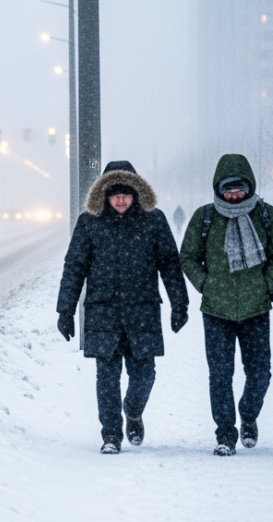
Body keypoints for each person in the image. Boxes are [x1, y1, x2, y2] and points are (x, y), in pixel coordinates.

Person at [57, 161, 188, 454]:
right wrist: (65, 310)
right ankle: (111, 436)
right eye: (114, 193)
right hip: (104, 312)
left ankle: (132, 410)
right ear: (104, 194)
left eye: (125, 193)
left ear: (135, 192)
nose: (120, 199)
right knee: (106, 378)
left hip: (142, 311)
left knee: (145, 374)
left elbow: (169, 264)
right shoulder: (89, 222)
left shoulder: (153, 221)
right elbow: (75, 267)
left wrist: (180, 303)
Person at [179, 154, 273, 456]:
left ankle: (249, 415)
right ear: (218, 189)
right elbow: (187, 256)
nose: (233, 195)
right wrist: (206, 284)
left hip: (256, 309)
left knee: (260, 373)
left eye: (239, 188)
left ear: (249, 187)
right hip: (216, 311)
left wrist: (266, 284)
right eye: (227, 189)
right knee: (220, 375)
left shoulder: (265, 215)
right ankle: (225, 434)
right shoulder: (205, 217)